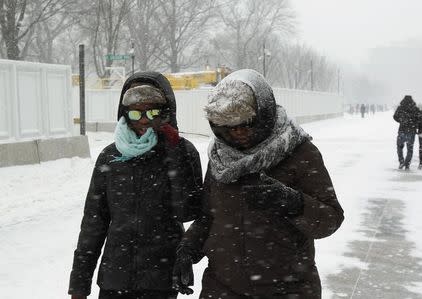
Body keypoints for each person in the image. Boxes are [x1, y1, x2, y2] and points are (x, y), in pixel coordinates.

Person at [172, 69, 344, 298]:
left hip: (287, 290)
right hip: (222, 288)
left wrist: (292, 202)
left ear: (265, 113)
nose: (239, 132)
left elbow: (330, 219)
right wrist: (187, 250)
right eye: (230, 127)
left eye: (247, 123)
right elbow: (208, 217)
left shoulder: (300, 152)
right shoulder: (221, 158)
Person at [68, 71, 203, 299]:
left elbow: (188, 211)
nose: (143, 119)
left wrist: (174, 153)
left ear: (165, 111)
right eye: (135, 112)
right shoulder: (110, 156)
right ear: (124, 113)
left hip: (161, 279)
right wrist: (79, 285)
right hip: (114, 278)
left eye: (152, 112)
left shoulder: (183, 151)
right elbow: (94, 223)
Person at [393, 95, 420, 170]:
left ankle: (401, 161)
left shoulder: (400, 108)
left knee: (399, 146)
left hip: (402, 130)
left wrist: (401, 121)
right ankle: (407, 163)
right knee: (410, 148)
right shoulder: (415, 108)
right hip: (411, 131)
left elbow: (395, 116)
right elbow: (419, 118)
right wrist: (414, 124)